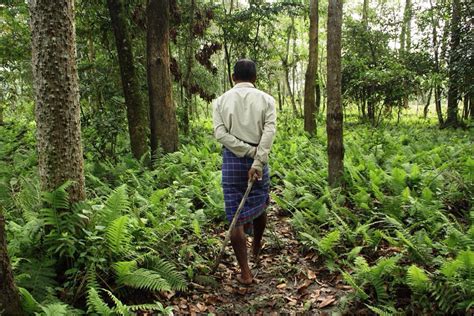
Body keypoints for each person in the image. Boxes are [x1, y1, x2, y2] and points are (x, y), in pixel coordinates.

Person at [212, 59, 277, 284]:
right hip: (258, 161)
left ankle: (245, 273)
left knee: (234, 216)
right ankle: (257, 247)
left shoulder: (220, 102)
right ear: (255, 78)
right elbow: (269, 132)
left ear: (232, 77)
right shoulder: (267, 100)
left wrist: (246, 151)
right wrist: (256, 158)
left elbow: (220, 134)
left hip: (232, 160)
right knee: (261, 204)